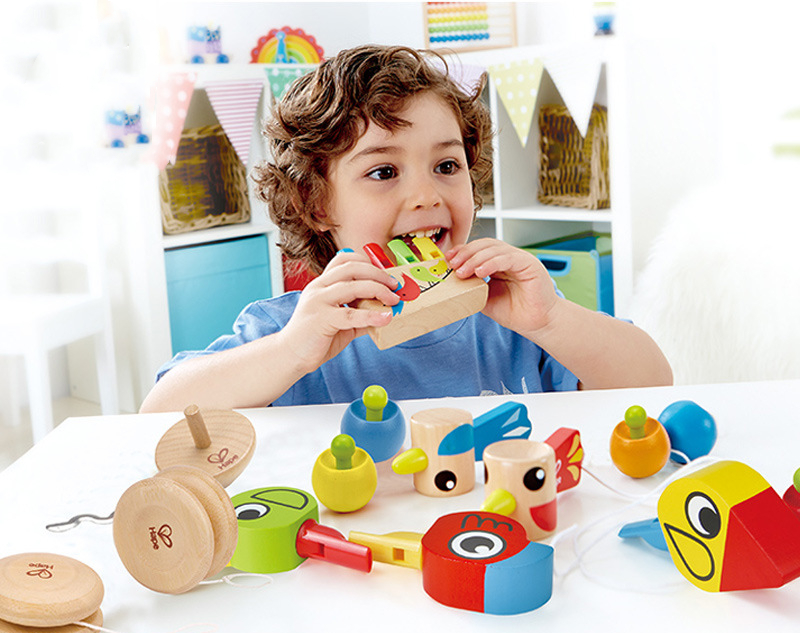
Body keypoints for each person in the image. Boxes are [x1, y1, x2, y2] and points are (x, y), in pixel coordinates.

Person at [140, 45, 671, 413]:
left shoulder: (513, 318)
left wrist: (551, 318)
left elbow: (653, 381)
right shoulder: (295, 330)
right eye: (383, 172)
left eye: (447, 166)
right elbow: (159, 412)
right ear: (316, 204)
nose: (426, 195)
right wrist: (290, 352)